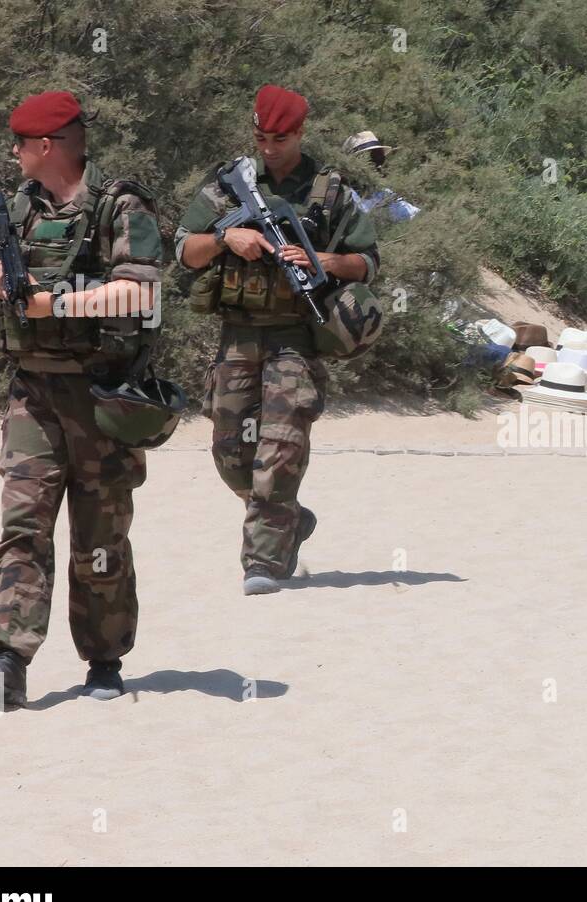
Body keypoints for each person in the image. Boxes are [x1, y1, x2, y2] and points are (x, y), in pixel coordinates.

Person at [0, 91, 168, 707]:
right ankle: (8, 657)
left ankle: (104, 659)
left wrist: (61, 303)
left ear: (47, 146)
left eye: (22, 143)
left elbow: (139, 293)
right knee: (23, 524)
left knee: (99, 534)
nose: (16, 153)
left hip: (102, 395)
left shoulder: (119, 206)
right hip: (33, 391)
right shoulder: (20, 206)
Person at [177, 85, 381, 595]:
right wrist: (228, 238)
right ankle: (287, 515)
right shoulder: (230, 185)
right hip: (238, 334)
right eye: (261, 137)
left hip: (296, 336)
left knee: (282, 447)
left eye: (280, 138)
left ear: (301, 133)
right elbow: (184, 250)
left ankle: (263, 560)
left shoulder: (330, 191)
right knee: (230, 454)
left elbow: (369, 261)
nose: (269, 147)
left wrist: (325, 262)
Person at [342, 130, 421, 223]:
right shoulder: (344, 195)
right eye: (372, 159)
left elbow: (412, 214)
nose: (378, 166)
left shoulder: (383, 193)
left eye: (380, 159)